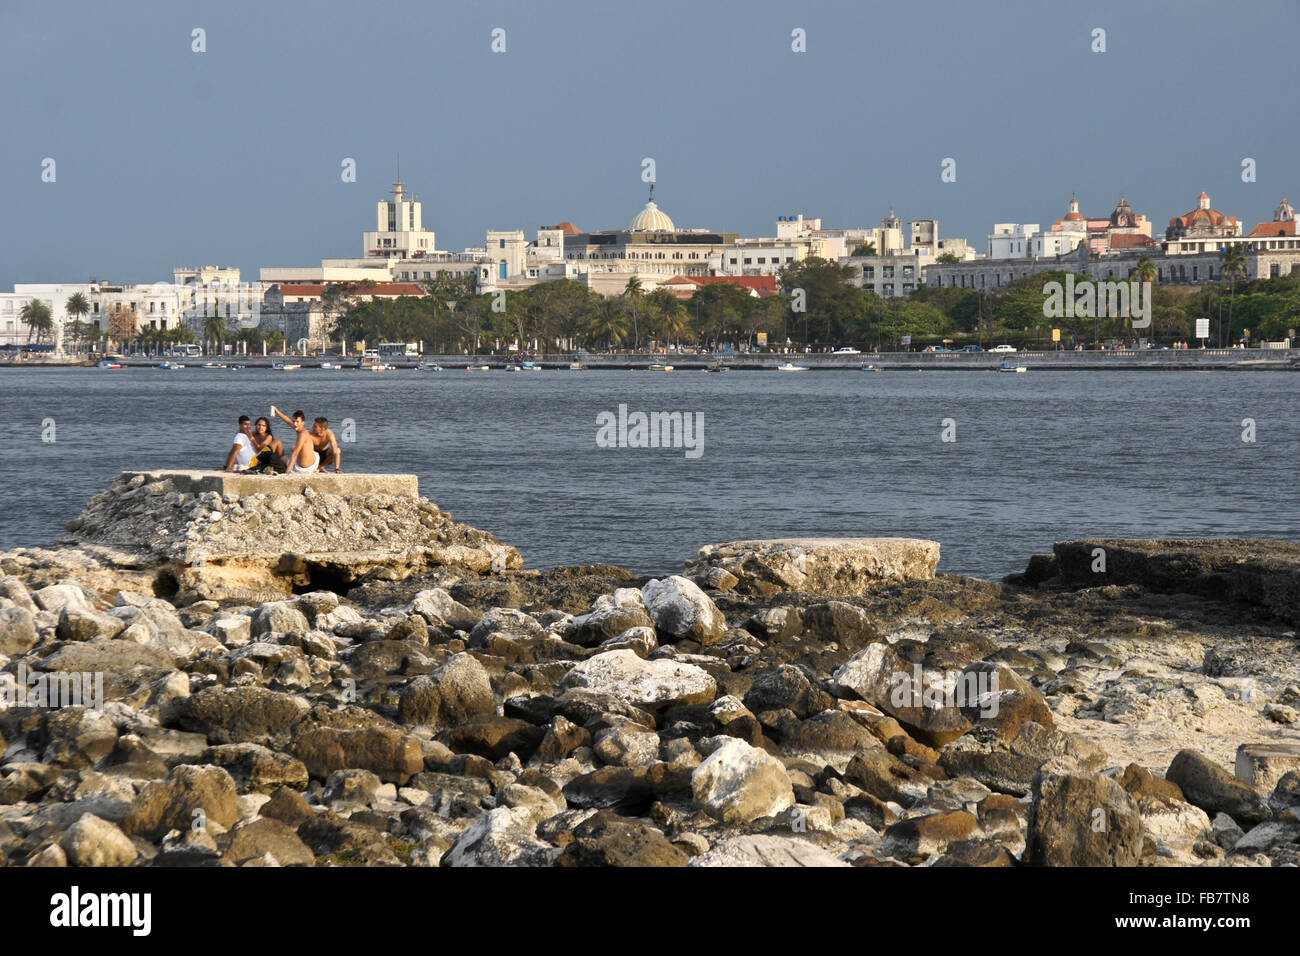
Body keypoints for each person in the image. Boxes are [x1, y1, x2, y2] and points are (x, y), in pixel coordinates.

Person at [271, 405, 342, 472]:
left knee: (337, 450)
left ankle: (321, 467)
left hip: (321, 456)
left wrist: (337, 468)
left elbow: (335, 450)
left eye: (315, 426)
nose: (312, 427)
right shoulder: (309, 433)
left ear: (322, 429)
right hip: (312, 455)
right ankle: (317, 468)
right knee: (294, 448)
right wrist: (277, 412)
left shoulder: (329, 434)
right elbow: (289, 422)